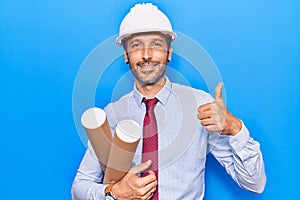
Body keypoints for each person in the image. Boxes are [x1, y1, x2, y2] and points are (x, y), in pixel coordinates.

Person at [72, 3, 266, 200]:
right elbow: (78, 188)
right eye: (136, 46)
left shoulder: (200, 105)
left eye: (156, 44)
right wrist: (114, 193)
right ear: (126, 56)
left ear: (169, 52)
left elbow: (254, 183)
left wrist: (235, 128)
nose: (146, 55)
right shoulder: (112, 114)